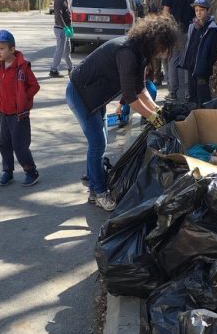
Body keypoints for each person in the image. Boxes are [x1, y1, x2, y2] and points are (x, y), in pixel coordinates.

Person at [66, 16, 180, 212]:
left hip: (94, 95)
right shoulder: (127, 52)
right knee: (97, 143)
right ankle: (99, 193)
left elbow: (140, 89)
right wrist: (152, 117)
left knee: (99, 141)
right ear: (155, 40)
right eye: (164, 47)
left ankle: (93, 183)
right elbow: (129, 96)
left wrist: (156, 109)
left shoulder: (141, 53)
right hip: (80, 93)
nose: (164, 53)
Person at [0, 30, 41, 187]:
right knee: (4, 144)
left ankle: (31, 172)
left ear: (12, 49)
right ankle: (7, 172)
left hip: (18, 115)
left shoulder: (22, 67)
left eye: (1, 48)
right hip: (4, 113)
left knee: (20, 146)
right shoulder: (0, 65)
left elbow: (35, 86)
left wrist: (23, 100)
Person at [165, 0, 205, 103]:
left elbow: (166, 12)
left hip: (177, 29)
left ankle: (174, 92)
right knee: (190, 60)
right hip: (194, 29)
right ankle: (189, 92)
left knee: (174, 60)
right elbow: (203, 7)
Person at [181, 0, 217, 106]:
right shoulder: (192, 26)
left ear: (207, 11)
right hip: (191, 66)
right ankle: (193, 115)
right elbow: (189, 45)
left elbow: (214, 52)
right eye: (196, 10)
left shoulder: (211, 29)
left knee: (203, 94)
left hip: (202, 68)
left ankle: (205, 116)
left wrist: (207, 64)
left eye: (202, 10)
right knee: (192, 93)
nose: (199, 13)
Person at [145, 0, 172, 85]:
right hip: (153, 27)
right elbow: (147, 9)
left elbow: (168, 11)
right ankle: (157, 77)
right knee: (154, 53)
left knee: (165, 54)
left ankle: (169, 78)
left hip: (165, 27)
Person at [50, 0, 73, 78]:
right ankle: (53, 70)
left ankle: (71, 68)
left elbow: (67, 14)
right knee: (60, 50)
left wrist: (70, 26)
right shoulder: (59, 0)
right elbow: (58, 16)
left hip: (65, 28)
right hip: (60, 28)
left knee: (67, 50)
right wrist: (66, 27)